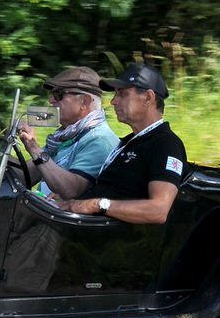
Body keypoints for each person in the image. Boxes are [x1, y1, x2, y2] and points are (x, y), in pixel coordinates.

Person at [56, 63, 186, 224]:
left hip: (106, 239)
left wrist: (96, 204)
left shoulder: (166, 144)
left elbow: (158, 210)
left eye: (122, 94)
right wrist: (73, 201)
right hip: (84, 230)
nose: (113, 101)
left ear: (148, 97)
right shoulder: (129, 142)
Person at [16, 66, 119, 200]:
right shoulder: (64, 136)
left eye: (59, 95)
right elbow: (24, 175)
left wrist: (34, 148)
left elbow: (71, 190)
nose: (51, 100)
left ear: (84, 102)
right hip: (45, 213)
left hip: (62, 219)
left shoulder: (99, 140)